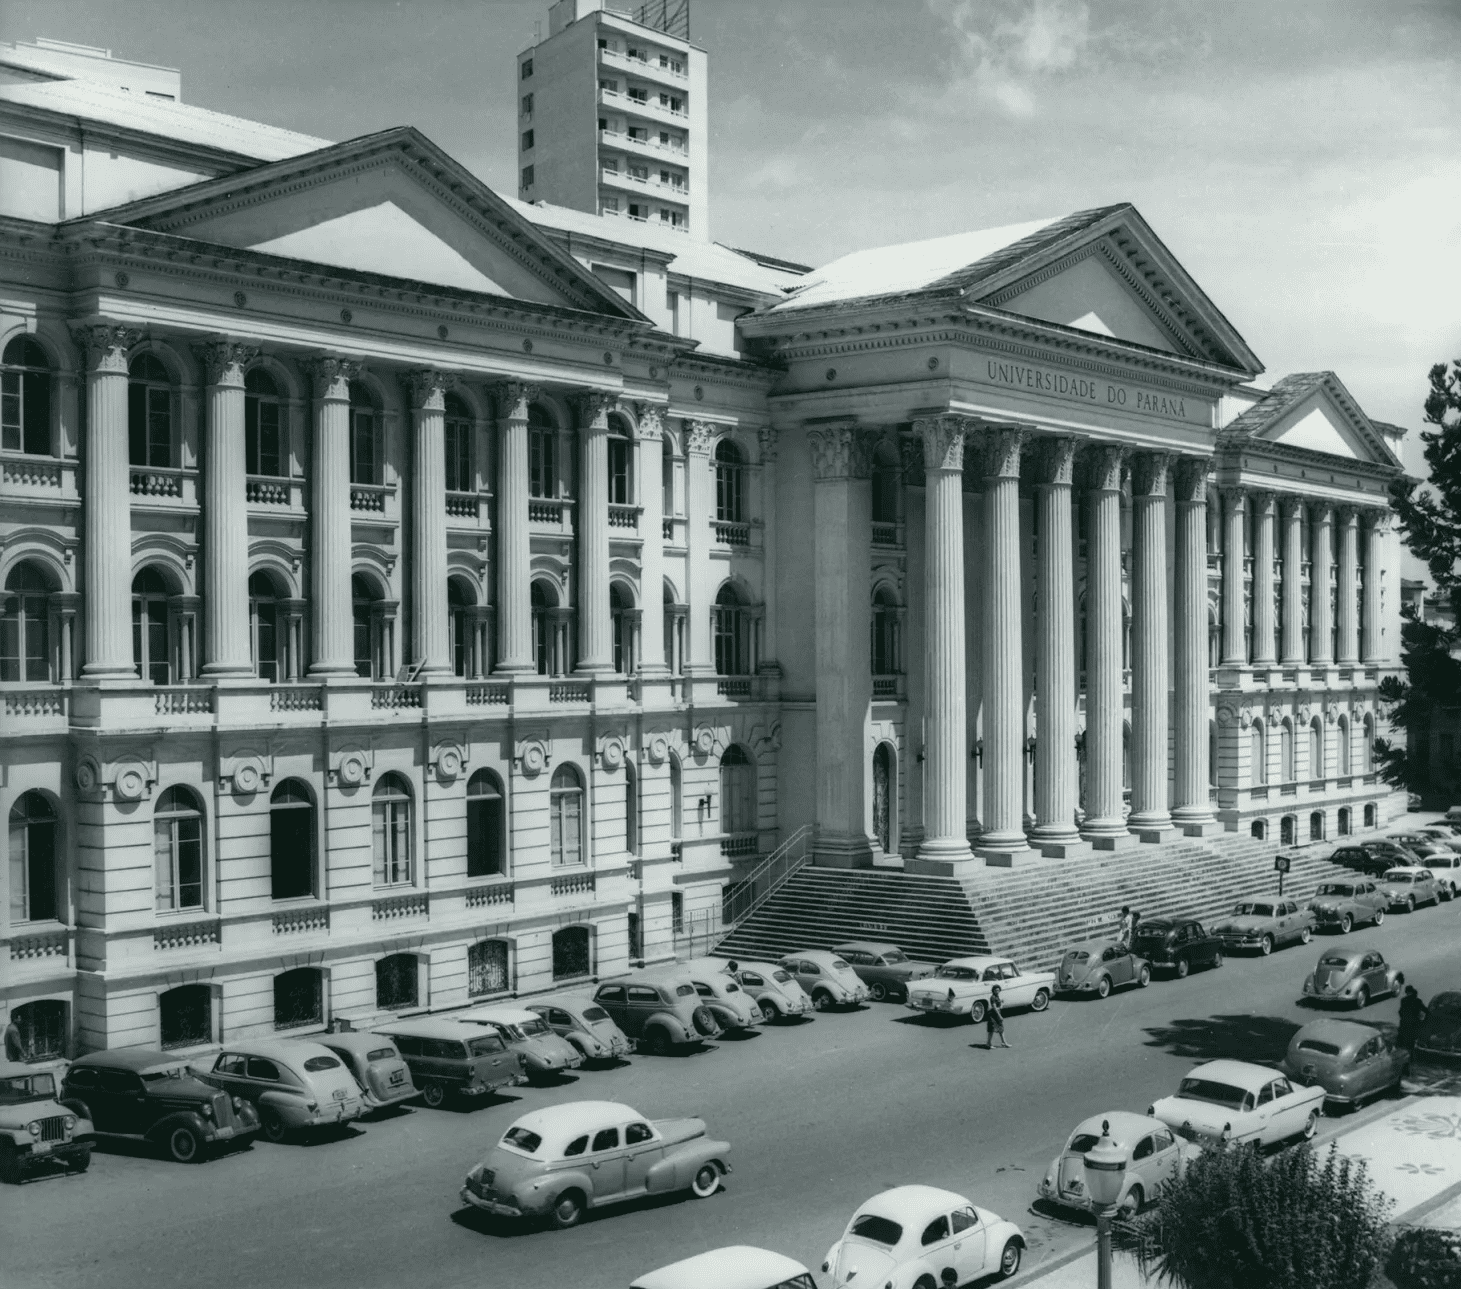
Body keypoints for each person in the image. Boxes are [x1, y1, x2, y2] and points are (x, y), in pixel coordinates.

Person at [1398, 985, 1428, 1053]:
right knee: (1414, 1040)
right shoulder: (1417, 1001)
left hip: (1404, 1024)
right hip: (1414, 1024)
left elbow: (1400, 1011)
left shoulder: (1403, 1000)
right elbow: (1425, 1010)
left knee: (1403, 1041)